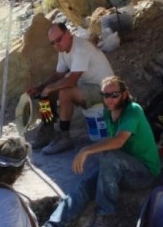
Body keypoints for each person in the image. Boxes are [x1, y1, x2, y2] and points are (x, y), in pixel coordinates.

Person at [42, 76, 161, 227]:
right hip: (120, 167)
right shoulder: (107, 112)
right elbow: (110, 141)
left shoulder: (133, 110)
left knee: (108, 155)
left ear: (124, 95)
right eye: (106, 95)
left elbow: (118, 141)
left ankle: (106, 214)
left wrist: (86, 150)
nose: (109, 99)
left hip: (143, 173)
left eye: (114, 95)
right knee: (84, 185)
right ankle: (53, 226)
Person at [27, 21, 115, 155]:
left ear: (68, 33)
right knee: (47, 94)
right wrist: (40, 88)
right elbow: (58, 75)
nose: (56, 45)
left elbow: (72, 80)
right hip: (88, 86)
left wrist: (49, 88)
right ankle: (47, 130)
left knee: (65, 93)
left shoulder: (80, 48)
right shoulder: (64, 50)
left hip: (105, 90)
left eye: (59, 40)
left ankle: (64, 137)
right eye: (53, 43)